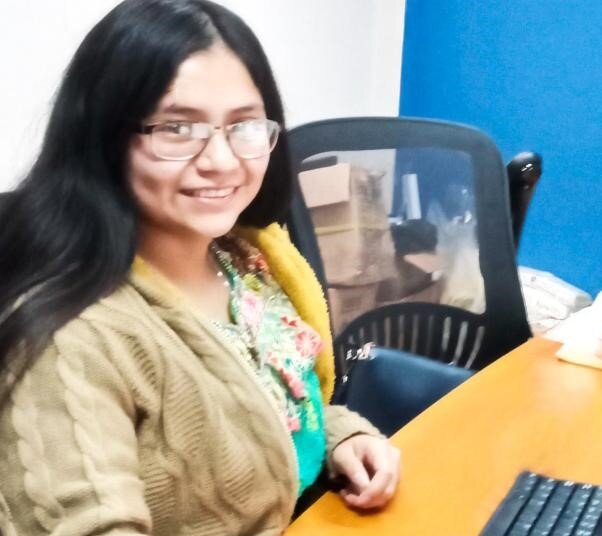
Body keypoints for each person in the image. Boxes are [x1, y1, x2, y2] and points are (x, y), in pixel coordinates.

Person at [0, 1, 400, 534]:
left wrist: (341, 437)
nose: (221, 160)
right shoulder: (72, 338)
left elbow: (269, 403)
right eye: (176, 129)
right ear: (103, 138)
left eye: (244, 126)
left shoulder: (244, 262)